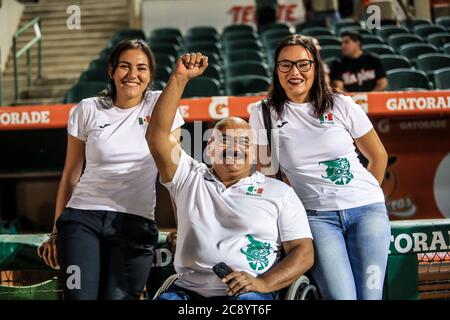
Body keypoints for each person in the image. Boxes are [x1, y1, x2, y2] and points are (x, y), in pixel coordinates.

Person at [146, 52, 314, 300]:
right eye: (223, 140)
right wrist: (180, 78)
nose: (234, 147)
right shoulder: (188, 177)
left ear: (255, 151)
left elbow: (303, 251)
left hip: (248, 293)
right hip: (188, 292)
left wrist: (264, 283)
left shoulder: (279, 193)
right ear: (208, 149)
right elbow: (157, 136)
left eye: (243, 142)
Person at [37, 39, 185, 300]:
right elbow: (71, 173)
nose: (132, 75)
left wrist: (183, 227)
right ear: (111, 70)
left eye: (142, 68)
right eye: (125, 66)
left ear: (150, 74)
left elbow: (174, 174)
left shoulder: (160, 105)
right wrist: (56, 230)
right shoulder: (87, 108)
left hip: (135, 222)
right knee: (78, 296)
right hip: (82, 219)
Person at [249, 34, 391, 300]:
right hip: (316, 217)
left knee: (371, 296)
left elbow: (378, 157)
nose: (295, 72)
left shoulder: (341, 104)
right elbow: (268, 174)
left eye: (303, 64)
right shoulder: (263, 113)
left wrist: (367, 197)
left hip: (367, 211)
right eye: (286, 64)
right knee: (342, 297)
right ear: (276, 69)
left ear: (315, 67)